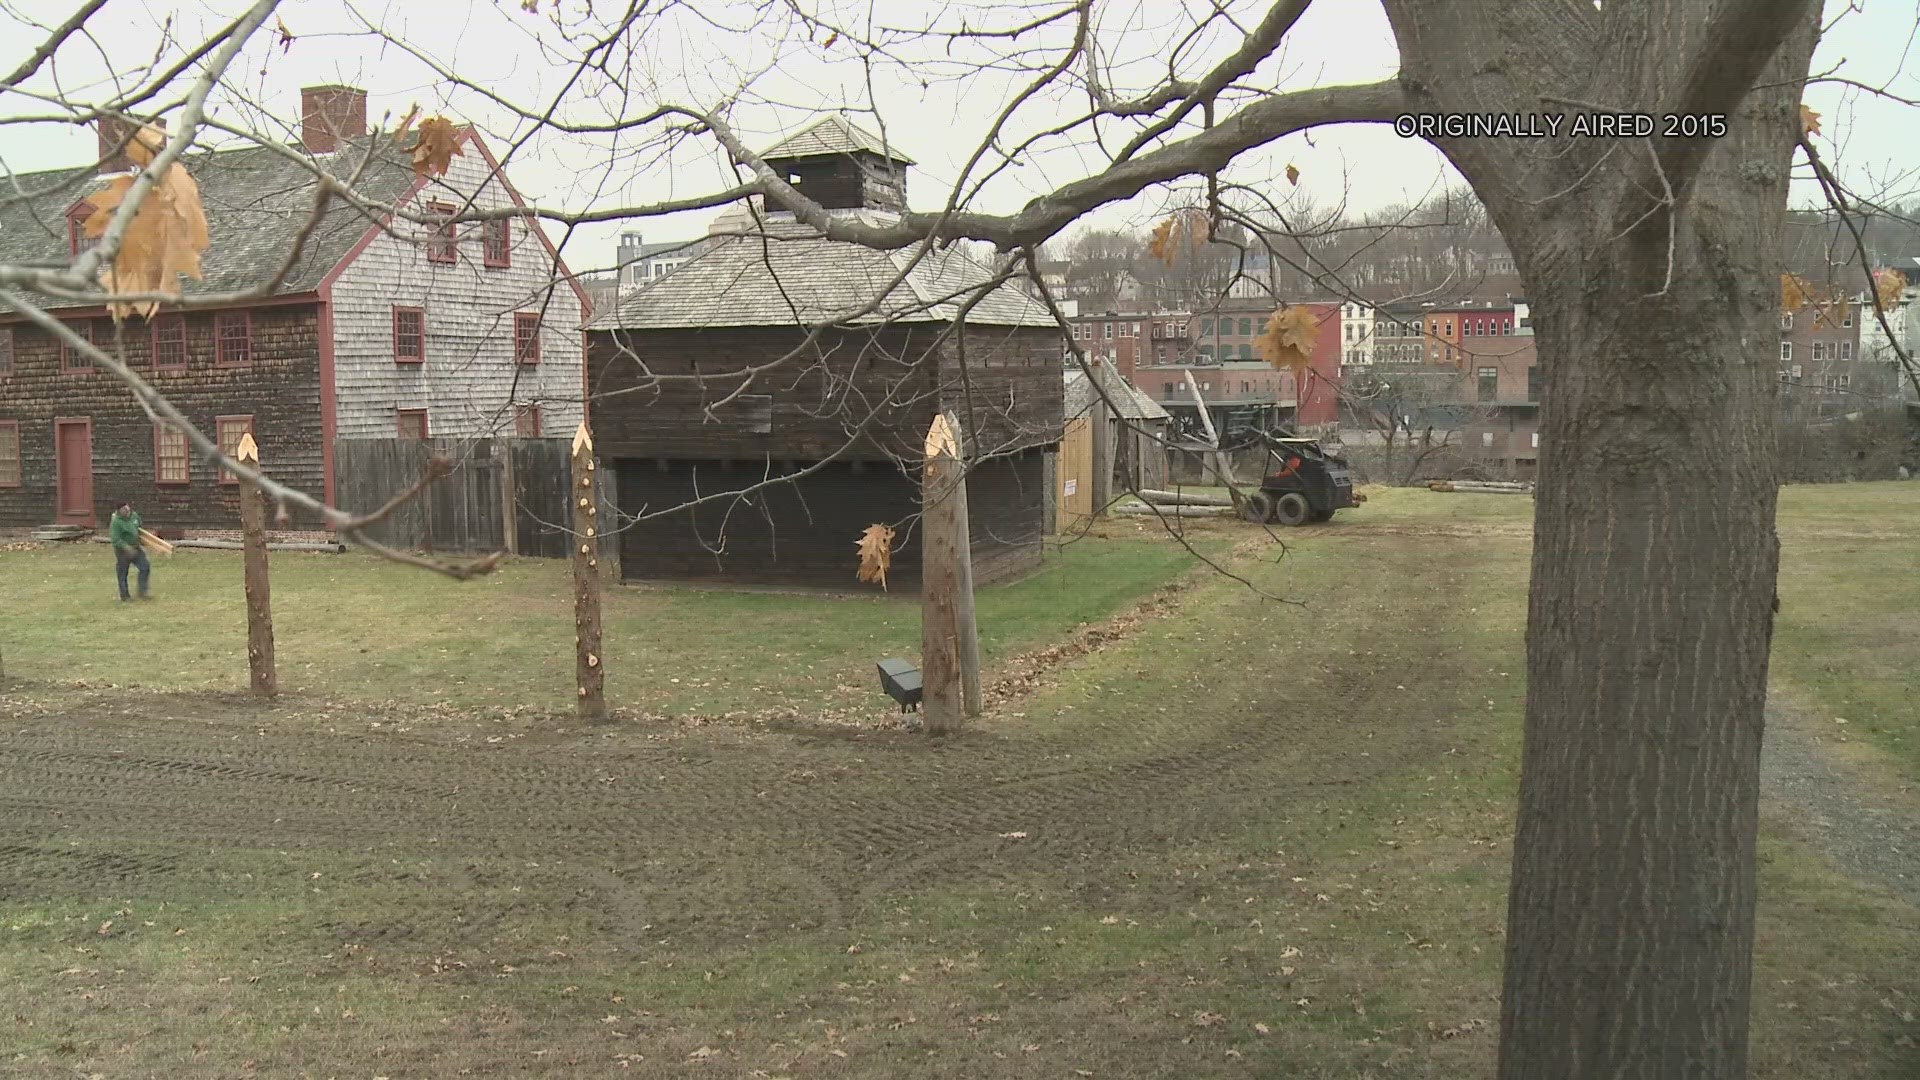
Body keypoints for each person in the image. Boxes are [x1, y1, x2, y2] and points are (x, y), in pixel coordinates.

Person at [108, 501, 151, 601]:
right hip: (123, 551)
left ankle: (143, 591)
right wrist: (127, 548)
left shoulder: (134, 516)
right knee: (123, 573)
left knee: (145, 567)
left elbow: (139, 528)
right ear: (119, 511)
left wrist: (145, 540)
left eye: (128, 509)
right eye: (124, 510)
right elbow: (115, 540)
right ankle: (125, 595)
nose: (127, 511)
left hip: (136, 547)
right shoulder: (116, 522)